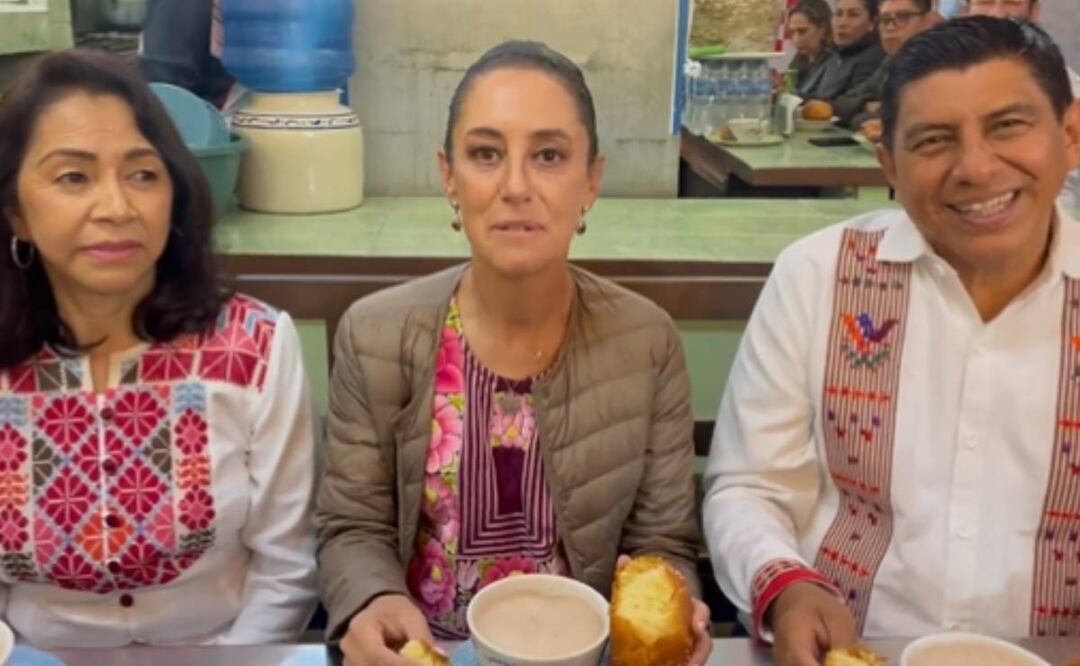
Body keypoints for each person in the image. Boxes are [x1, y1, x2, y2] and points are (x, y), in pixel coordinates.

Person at [315, 40, 710, 666]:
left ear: (592, 181)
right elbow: (351, 528)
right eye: (485, 154)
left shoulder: (648, 340)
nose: (516, 186)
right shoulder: (375, 335)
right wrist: (368, 599)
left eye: (549, 155)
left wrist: (672, 604)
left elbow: (662, 542)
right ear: (449, 175)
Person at [703, 17, 1080, 666]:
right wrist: (784, 585)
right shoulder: (818, 275)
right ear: (888, 165)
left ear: (1070, 136)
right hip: (845, 651)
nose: (976, 167)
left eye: (1008, 126)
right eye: (934, 140)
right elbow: (749, 486)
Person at [0, 49, 319, 646]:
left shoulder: (253, 347)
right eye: (74, 177)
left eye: (143, 174)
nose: (117, 208)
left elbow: (288, 567)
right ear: (16, 211)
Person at [964, 0, 1080, 211]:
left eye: (1011, 3)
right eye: (985, 2)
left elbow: (1066, 189)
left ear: (1034, 12)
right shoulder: (936, 83)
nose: (996, 14)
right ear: (966, 10)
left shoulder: (1066, 91)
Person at [832, 0, 935, 129]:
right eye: (885, 20)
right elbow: (841, 104)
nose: (890, 27)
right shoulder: (889, 61)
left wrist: (875, 111)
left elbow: (895, 122)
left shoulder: (934, 65)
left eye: (903, 17)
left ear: (928, 21)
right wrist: (866, 104)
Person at [811, 0, 886, 103]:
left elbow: (849, 105)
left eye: (853, 15)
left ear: (872, 23)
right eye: (838, 14)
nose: (842, 23)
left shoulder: (872, 59)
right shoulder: (835, 54)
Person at [788, 0, 834, 99]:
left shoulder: (836, 62)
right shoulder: (797, 61)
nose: (796, 39)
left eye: (802, 31)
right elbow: (787, 89)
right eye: (792, 32)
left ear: (823, 29)